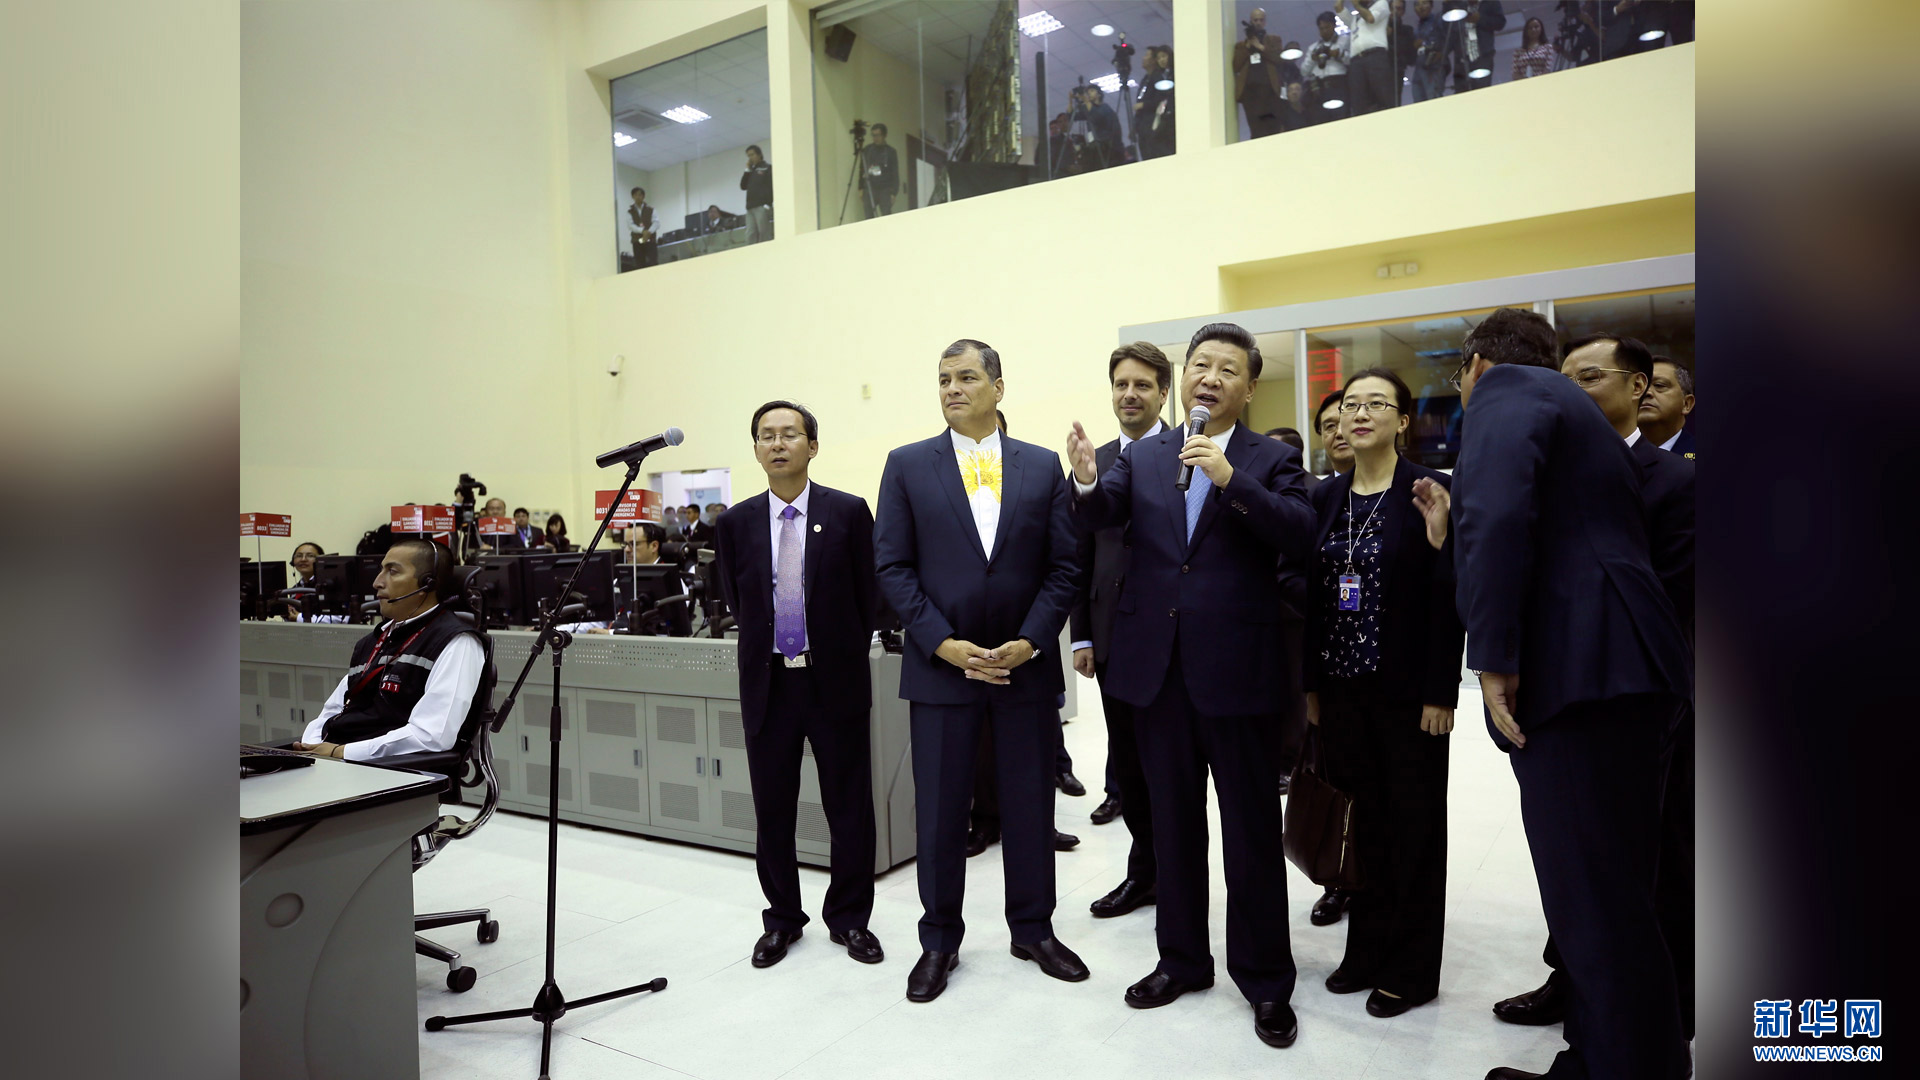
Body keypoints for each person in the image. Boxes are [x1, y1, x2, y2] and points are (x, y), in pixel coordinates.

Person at [1451, 307, 1690, 1080]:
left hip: (1583, 670)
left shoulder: (1508, 390)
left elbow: (1494, 513)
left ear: (1475, 366)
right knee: (1619, 894)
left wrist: (1492, 653)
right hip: (1631, 667)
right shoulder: (1577, 417)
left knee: (1594, 900)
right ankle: (1607, 1060)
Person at [1067, 322, 1313, 1049]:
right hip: (1158, 674)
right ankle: (1181, 961)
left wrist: (1231, 481)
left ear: (1249, 385)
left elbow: (1298, 532)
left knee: (1250, 835)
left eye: (1227, 368)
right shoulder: (1146, 455)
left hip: (1238, 674)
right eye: (1201, 364)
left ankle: (1265, 980)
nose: (1210, 377)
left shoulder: (1272, 458)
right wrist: (1086, 478)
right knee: (1172, 827)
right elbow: (1100, 514)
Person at [874, 338, 1087, 1004]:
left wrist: (1031, 641)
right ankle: (939, 941)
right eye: (943, 379)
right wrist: (942, 643)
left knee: (1030, 807)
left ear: (998, 387)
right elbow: (892, 567)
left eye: (966, 377)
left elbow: (1064, 567)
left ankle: (1034, 930)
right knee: (941, 814)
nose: (952, 389)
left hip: (1024, 669)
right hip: (942, 671)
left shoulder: (1041, 465)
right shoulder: (907, 465)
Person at [1302, 367, 1464, 1019]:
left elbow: (1448, 600)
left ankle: (1412, 970)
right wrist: (1310, 684)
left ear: (1403, 420)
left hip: (1407, 693)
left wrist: (1440, 691)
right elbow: (1312, 598)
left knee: (1414, 829)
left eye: (1376, 404)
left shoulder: (1430, 491)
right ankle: (1365, 951)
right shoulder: (1325, 496)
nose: (1359, 414)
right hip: (1340, 690)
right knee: (1361, 828)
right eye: (1351, 405)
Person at [713, 400, 883, 969]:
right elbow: (738, 601)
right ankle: (783, 918)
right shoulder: (735, 523)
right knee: (773, 810)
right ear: (756, 450)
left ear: (812, 446)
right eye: (766, 436)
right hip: (769, 686)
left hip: (834, 682)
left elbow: (869, 597)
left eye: (789, 434)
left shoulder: (848, 511)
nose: (778, 443)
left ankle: (850, 918)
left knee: (849, 807)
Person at [1069, 343, 1172, 920]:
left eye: (1142, 385)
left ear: (1164, 393)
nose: (1129, 394)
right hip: (1112, 636)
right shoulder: (1096, 461)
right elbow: (1079, 553)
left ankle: (1176, 876)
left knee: (1170, 769)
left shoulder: (1189, 452)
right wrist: (1082, 635)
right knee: (1128, 766)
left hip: (1172, 636)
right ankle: (1144, 873)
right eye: (1121, 384)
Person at [292, 539, 485, 761]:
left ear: (427, 583)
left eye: (392, 572)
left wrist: (342, 752)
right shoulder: (373, 641)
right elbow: (333, 709)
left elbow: (431, 735)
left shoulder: (457, 642)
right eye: (381, 570)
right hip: (339, 760)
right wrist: (313, 747)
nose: (377, 582)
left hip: (386, 768)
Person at [1233, 8, 1288, 138]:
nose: (1258, 23)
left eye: (1261, 20)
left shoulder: (1274, 40)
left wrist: (1260, 47)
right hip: (1250, 93)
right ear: (1251, 21)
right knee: (1255, 129)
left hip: (1269, 90)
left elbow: (1279, 59)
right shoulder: (1241, 46)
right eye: (1255, 20)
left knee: (1272, 127)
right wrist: (1248, 46)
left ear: (1265, 22)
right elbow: (1236, 66)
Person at [1340, 0, 1396, 116]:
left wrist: (1356, 5)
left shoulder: (1381, 3)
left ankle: (1391, 121)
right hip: (1356, 61)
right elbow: (1338, 7)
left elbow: (1371, 18)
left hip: (1375, 55)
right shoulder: (1354, 19)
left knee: (1383, 95)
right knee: (1358, 101)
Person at [1638, 355, 1695, 459]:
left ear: (1687, 404)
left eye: (1659, 385)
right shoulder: (1614, 455)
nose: (1646, 392)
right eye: (1638, 386)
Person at [1447, 0, 1506, 95]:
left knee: (1482, 92)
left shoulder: (1490, 2)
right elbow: (1449, 28)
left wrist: (1480, 19)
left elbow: (1500, 23)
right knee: (1461, 94)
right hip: (1462, 58)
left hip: (1482, 56)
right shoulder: (1460, 4)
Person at [1304, 11, 1350, 123]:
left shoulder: (1345, 40)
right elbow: (1304, 72)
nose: (1324, 31)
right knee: (1322, 120)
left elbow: (1353, 61)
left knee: (1342, 118)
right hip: (1319, 89)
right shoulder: (1313, 48)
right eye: (1321, 28)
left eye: (1327, 27)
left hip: (1339, 84)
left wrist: (1338, 54)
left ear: (1334, 25)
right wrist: (1313, 59)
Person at [1135, 46, 1176, 159]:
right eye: (1159, 58)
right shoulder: (1145, 79)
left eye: (1164, 56)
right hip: (1144, 124)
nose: (1161, 60)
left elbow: (1162, 98)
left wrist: (1144, 105)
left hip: (1158, 120)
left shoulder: (1160, 77)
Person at [1410, 0, 1449, 102]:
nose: (1421, 7)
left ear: (1431, 6)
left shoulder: (1438, 19)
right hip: (1420, 66)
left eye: (1424, 3)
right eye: (1417, 4)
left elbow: (1447, 38)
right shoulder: (1418, 26)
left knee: (1433, 98)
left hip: (1433, 64)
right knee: (1418, 99)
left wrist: (1440, 53)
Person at [860, 123, 899, 219]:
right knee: (868, 218)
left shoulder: (891, 152)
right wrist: (860, 187)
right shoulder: (867, 150)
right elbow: (862, 169)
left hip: (885, 189)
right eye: (873, 135)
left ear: (884, 135)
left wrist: (894, 192)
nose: (875, 138)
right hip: (869, 187)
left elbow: (895, 173)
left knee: (886, 217)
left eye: (878, 135)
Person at [1316, 389, 1356, 478]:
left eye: (1347, 423)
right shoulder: (1319, 487)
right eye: (1330, 426)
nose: (1340, 433)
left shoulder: (1388, 483)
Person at [741, 145, 773, 244]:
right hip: (750, 207)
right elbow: (743, 186)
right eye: (748, 156)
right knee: (750, 234)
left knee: (763, 232)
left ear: (759, 154)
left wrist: (768, 204)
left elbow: (771, 186)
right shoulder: (751, 171)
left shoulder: (767, 168)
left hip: (762, 206)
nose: (750, 158)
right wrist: (747, 170)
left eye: (752, 154)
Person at [1511, 16, 1559, 80]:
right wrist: (1527, 81)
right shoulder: (1518, 52)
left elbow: (1547, 69)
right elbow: (1515, 74)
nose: (1533, 30)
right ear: (1526, 31)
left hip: (1542, 81)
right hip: (1523, 83)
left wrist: (1535, 81)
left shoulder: (1548, 48)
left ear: (1541, 29)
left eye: (1536, 27)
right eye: (1530, 28)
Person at [626, 186, 659, 268]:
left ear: (643, 196)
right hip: (637, 241)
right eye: (635, 195)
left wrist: (648, 232)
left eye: (640, 195)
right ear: (632, 196)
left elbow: (656, 223)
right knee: (640, 264)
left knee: (653, 263)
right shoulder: (630, 212)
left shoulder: (651, 210)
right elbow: (630, 225)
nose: (638, 197)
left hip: (650, 240)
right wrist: (642, 231)